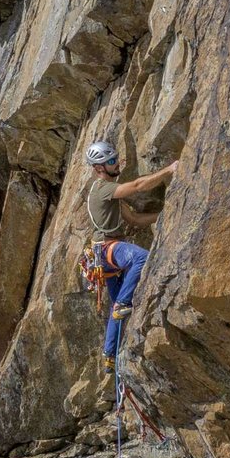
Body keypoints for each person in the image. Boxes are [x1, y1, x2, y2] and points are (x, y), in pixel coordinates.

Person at [83, 140, 177, 362]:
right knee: (141, 258)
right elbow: (137, 186)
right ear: (99, 169)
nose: (117, 165)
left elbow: (134, 219)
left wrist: (164, 213)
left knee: (117, 312)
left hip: (104, 255)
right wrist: (168, 170)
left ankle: (109, 356)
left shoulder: (109, 196)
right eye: (112, 162)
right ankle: (123, 303)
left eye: (116, 159)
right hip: (107, 249)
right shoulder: (103, 189)